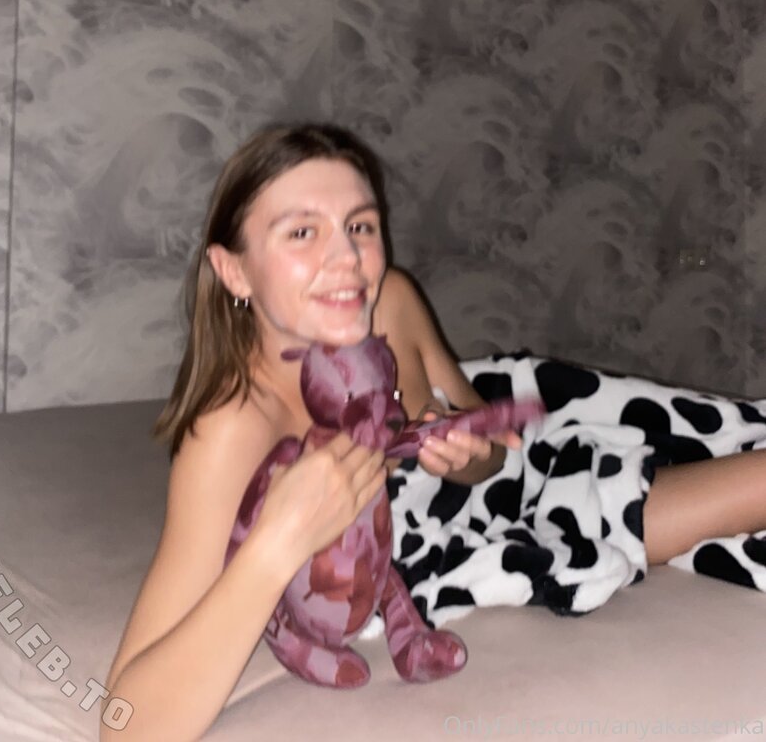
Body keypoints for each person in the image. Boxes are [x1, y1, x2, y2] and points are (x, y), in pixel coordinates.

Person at [99, 122, 766, 742]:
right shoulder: (230, 431)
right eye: (302, 232)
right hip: (482, 540)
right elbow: (125, 726)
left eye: (360, 226)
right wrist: (279, 541)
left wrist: (466, 454)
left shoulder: (389, 299)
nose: (347, 258)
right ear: (234, 271)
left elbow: (495, 459)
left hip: (534, 463)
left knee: (732, 433)